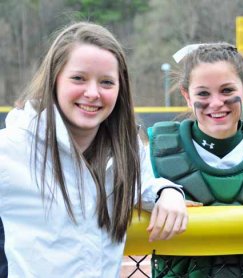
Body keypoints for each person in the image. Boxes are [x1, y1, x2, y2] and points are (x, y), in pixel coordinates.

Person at [0, 22, 188, 277]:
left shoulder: (126, 149)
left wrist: (168, 192)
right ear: (54, 79)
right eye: (78, 78)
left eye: (106, 82)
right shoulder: (11, 148)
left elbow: (143, 186)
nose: (92, 93)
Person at [149, 42, 243, 277]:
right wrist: (162, 190)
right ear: (186, 96)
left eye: (227, 91)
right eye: (203, 93)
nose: (216, 103)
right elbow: (126, 193)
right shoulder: (157, 152)